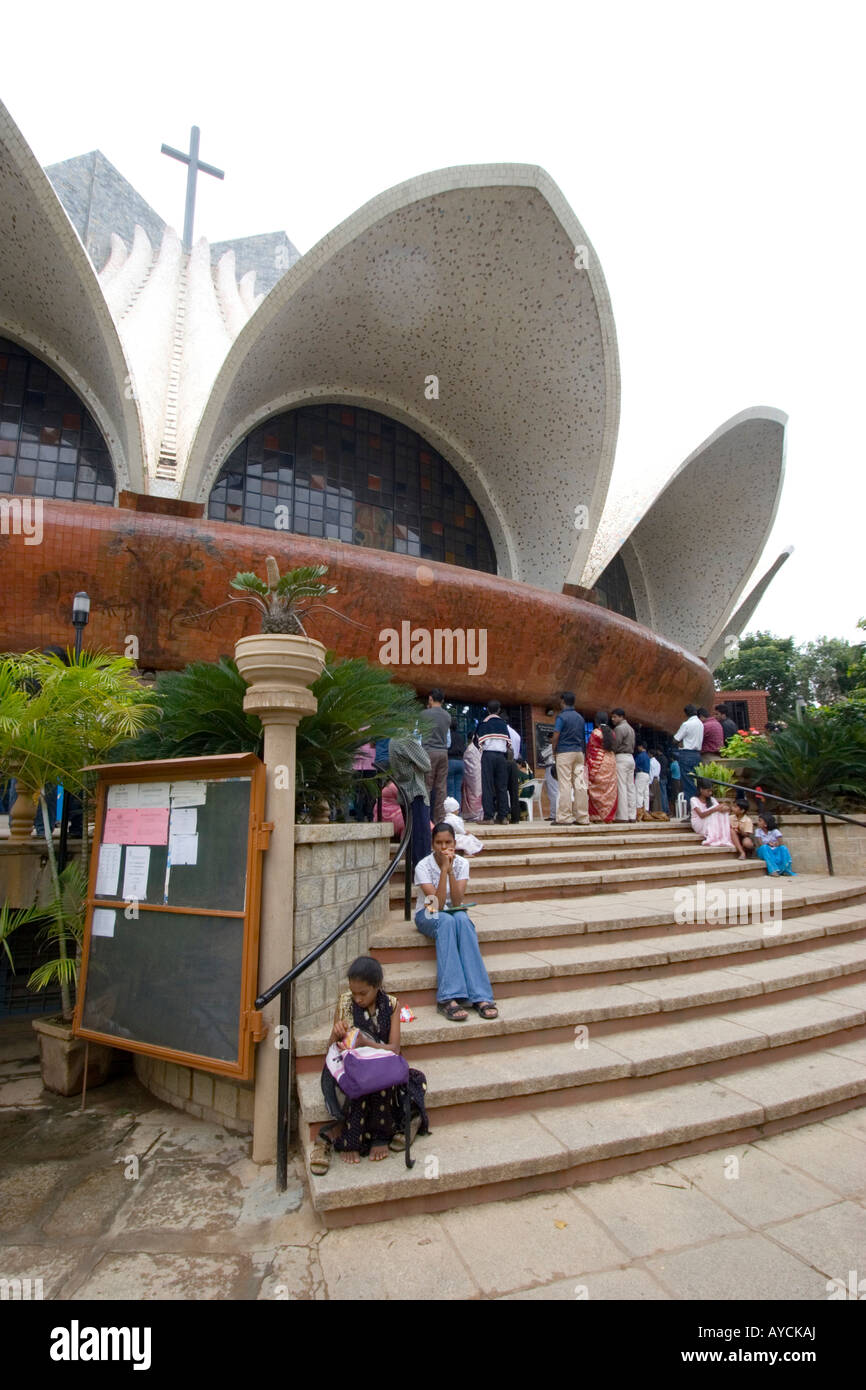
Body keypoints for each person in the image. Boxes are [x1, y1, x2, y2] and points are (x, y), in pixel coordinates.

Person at [309, 955, 429, 1173]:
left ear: (377, 987)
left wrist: (367, 1043)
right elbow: (331, 1049)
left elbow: (394, 1050)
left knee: (387, 1083)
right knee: (357, 1086)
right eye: (354, 993)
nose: (357, 999)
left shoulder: (391, 1005)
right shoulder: (345, 1002)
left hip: (378, 1064)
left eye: (363, 993)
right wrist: (336, 1035)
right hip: (351, 1067)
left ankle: (380, 1138)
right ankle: (352, 1141)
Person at [414, 822, 498, 1022]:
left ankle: (480, 996)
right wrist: (443, 870)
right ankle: (448, 997)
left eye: (448, 842)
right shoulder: (422, 866)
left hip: (453, 912)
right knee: (446, 921)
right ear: (432, 844)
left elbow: (458, 901)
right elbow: (437, 904)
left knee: (462, 920)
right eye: (439, 843)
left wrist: (451, 870)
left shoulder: (462, 864)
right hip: (428, 913)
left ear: (455, 842)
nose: (444, 848)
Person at [388, 736, 432, 870]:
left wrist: (415, 762)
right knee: (421, 836)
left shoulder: (392, 740)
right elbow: (426, 764)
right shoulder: (406, 740)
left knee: (414, 835)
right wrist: (417, 762)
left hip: (404, 792)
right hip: (415, 792)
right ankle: (422, 873)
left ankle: (416, 871)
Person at [553, 692, 590, 825]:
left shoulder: (562, 717)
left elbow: (556, 735)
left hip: (564, 752)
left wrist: (554, 751)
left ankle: (564, 817)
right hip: (579, 753)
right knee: (581, 785)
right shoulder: (580, 718)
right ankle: (583, 817)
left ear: (563, 701)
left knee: (565, 784)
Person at [689, 779, 745, 856]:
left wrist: (724, 808)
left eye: (711, 791)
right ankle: (715, 837)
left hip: (711, 822)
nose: (710, 793)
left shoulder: (712, 799)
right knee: (714, 812)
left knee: (728, 826)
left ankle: (741, 852)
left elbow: (721, 808)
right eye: (708, 791)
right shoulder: (694, 800)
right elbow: (701, 815)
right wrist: (715, 809)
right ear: (701, 790)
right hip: (699, 823)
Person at [476, 700, 511, 824]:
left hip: (488, 755)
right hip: (501, 757)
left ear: (487, 709)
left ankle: (488, 817)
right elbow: (508, 743)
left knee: (487, 786)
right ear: (499, 710)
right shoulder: (504, 724)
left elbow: (477, 741)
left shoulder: (484, 723)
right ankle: (503, 816)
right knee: (502, 787)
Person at [420, 689, 450, 824]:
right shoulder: (447, 716)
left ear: (430, 699)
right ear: (442, 701)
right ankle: (440, 820)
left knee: (426, 786)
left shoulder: (423, 714)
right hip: (443, 753)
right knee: (441, 787)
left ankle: (425, 818)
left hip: (428, 751)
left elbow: (419, 733)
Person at [586, 712, 618, 822]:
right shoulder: (612, 733)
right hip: (611, 762)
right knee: (609, 789)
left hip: (599, 762)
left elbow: (591, 749)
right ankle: (609, 816)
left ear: (596, 721)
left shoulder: (595, 733)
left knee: (596, 788)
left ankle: (597, 816)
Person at [673, 704, 704, 809]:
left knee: (688, 783)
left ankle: (692, 810)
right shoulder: (700, 723)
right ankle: (699, 807)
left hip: (686, 754)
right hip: (697, 754)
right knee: (696, 782)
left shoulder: (687, 724)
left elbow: (676, 739)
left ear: (686, 713)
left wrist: (680, 742)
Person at [610, 708, 637, 823]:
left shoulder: (619, 729)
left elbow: (615, 745)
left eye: (615, 716)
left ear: (621, 717)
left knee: (621, 787)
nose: (613, 719)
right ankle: (632, 815)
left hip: (621, 758)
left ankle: (622, 816)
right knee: (630, 787)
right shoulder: (631, 728)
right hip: (630, 758)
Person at [539, 710, 559, 822]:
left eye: (549, 737)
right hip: (557, 767)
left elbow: (541, 756)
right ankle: (555, 814)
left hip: (551, 767)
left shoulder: (551, 746)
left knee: (553, 792)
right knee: (556, 791)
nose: (548, 739)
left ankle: (554, 815)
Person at [461, 733, 484, 822]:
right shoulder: (479, 749)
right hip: (479, 774)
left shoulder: (469, 749)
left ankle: (474, 814)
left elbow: (468, 763)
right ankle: (478, 813)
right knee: (477, 793)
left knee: (473, 794)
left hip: (473, 775)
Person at [446, 718, 466, 807]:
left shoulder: (447, 736)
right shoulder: (460, 736)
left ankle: (451, 812)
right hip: (461, 763)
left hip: (450, 761)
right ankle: (458, 812)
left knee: (450, 789)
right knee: (458, 789)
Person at [634, 742, 652, 813]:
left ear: (641, 747)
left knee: (639, 792)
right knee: (646, 793)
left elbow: (634, 765)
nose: (638, 748)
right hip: (647, 775)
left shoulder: (640, 756)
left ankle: (639, 809)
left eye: (638, 747)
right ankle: (646, 809)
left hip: (641, 774)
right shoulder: (647, 756)